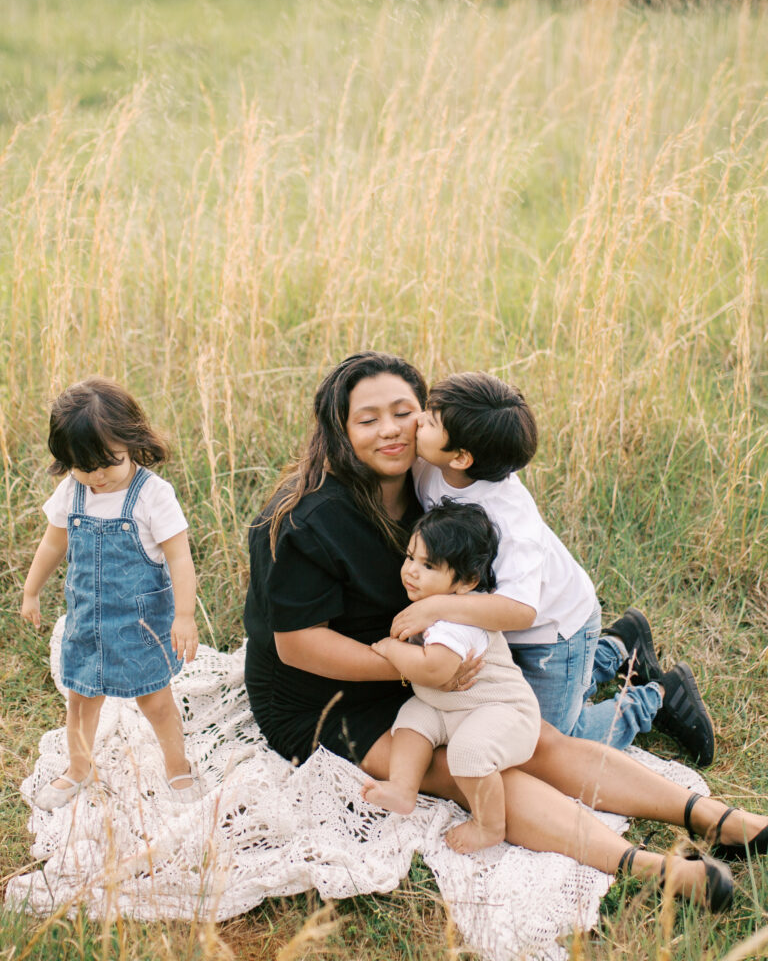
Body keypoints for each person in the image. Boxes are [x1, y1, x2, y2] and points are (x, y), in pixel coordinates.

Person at [243, 351, 768, 914]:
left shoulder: (436, 478)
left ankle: (722, 820)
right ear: (339, 430)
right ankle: (653, 868)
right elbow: (297, 646)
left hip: (429, 659)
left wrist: (431, 660)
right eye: (368, 420)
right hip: (328, 692)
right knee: (470, 769)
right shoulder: (303, 519)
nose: (392, 430)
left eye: (404, 411)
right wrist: (410, 665)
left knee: (539, 740)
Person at [395, 372, 714, 764]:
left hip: (552, 631)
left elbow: (520, 609)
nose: (417, 421)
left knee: (541, 745)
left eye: (430, 419)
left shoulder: (509, 519)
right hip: (498, 627)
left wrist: (434, 608)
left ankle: (655, 697)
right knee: (501, 715)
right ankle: (617, 648)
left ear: (461, 456)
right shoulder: (429, 464)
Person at [22, 377, 200, 810]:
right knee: (81, 701)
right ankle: (78, 768)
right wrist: (31, 591)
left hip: (140, 625)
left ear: (133, 442)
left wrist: (184, 616)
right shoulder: (72, 491)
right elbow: (52, 543)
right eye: (84, 466)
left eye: (109, 462)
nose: (97, 476)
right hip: (87, 622)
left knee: (155, 700)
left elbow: (179, 557)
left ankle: (178, 766)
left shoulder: (152, 496)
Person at [362, 501, 541, 854]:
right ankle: (402, 787)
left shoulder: (461, 620)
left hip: (501, 711)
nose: (411, 571)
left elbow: (434, 668)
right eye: (410, 557)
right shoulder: (431, 604)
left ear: (467, 582)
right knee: (411, 720)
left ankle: (489, 825)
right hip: (449, 707)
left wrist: (389, 648)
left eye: (428, 565)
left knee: (468, 753)